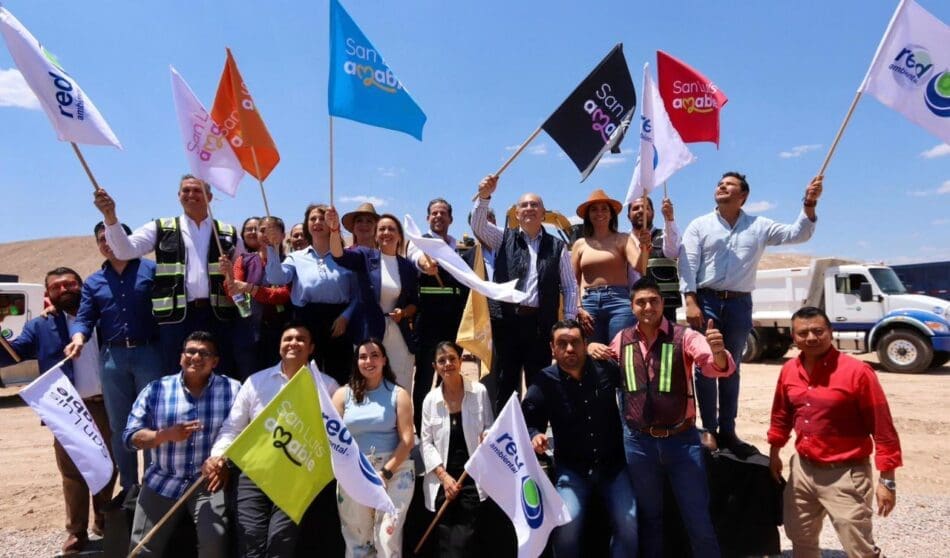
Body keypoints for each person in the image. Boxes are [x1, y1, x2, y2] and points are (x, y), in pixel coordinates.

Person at [592, 277, 735, 558]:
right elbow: (603, 370)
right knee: (650, 520)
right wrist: (589, 348)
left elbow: (714, 367)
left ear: (662, 303)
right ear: (632, 307)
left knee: (698, 520)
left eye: (653, 301)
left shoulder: (686, 336)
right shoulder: (622, 339)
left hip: (682, 441)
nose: (648, 307)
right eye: (641, 302)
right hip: (638, 444)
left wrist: (718, 353)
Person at [679, 171, 822, 450]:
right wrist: (690, 300)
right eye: (719, 183)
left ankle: (728, 430)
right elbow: (688, 263)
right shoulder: (699, 225)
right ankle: (708, 429)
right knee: (706, 366)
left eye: (729, 184)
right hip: (706, 302)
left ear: (743, 196)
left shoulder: (759, 226)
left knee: (731, 367)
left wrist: (809, 204)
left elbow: (799, 233)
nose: (721, 186)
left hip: (739, 304)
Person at [768, 306, 902, 558]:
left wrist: (887, 480)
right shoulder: (789, 370)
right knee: (800, 537)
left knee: (859, 546)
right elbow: (781, 415)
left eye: (818, 331)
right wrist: (774, 452)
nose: (811, 338)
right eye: (803, 333)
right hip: (802, 471)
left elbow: (883, 428)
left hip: (846, 473)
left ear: (830, 332)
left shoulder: (858, 372)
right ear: (793, 336)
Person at [0, 267, 116, 555]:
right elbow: (12, 354)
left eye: (70, 284)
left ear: (81, 286)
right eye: (56, 287)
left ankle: (104, 520)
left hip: (109, 404)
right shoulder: (41, 326)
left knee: (108, 465)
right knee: (73, 472)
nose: (64, 290)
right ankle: (76, 531)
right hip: (67, 410)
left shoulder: (104, 315)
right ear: (48, 294)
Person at [205, 322, 339, 557]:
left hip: (296, 476)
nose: (293, 343)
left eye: (300, 339)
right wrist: (218, 456)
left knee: (281, 542)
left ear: (311, 348)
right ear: (279, 346)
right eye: (288, 339)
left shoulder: (328, 387)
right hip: (254, 472)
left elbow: (335, 435)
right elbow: (232, 427)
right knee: (250, 540)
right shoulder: (256, 382)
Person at [93, 175, 241, 376]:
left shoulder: (227, 232)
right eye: (186, 190)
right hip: (176, 319)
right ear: (178, 196)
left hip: (218, 315)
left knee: (220, 373)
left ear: (209, 197)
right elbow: (125, 251)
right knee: (177, 374)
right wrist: (110, 217)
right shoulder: (161, 228)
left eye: (197, 190)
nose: (191, 194)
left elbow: (244, 272)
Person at [523, 319, 637, 558]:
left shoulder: (606, 369)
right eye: (562, 343)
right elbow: (527, 421)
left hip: (613, 467)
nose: (569, 349)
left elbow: (635, 383)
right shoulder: (544, 381)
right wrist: (535, 436)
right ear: (552, 348)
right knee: (567, 525)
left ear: (586, 344)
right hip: (572, 471)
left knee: (629, 524)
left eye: (575, 342)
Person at [64, 222, 162, 491]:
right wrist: (78, 337)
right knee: (120, 424)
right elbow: (85, 318)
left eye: (111, 237)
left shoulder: (152, 271)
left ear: (126, 239)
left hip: (150, 353)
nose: (107, 243)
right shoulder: (94, 282)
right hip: (112, 358)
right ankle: (129, 488)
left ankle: (153, 486)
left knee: (153, 419)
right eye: (101, 240)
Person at [124, 331, 240, 558]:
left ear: (215, 361)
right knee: (141, 549)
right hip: (162, 480)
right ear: (181, 357)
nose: (196, 357)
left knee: (214, 546)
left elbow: (243, 434)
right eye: (190, 351)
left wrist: (226, 463)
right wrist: (164, 435)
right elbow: (130, 437)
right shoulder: (156, 390)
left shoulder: (233, 390)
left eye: (204, 353)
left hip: (206, 483)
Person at [473, 175, 578, 413]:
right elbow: (479, 226)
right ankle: (506, 433)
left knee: (538, 385)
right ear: (517, 213)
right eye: (524, 205)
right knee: (506, 383)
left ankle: (534, 432)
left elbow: (570, 286)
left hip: (541, 325)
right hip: (507, 323)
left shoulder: (558, 247)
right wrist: (484, 197)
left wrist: (568, 322)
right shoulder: (503, 238)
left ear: (543, 213)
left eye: (535, 204)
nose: (529, 208)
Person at [332, 339, 415, 558]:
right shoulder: (341, 395)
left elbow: (407, 441)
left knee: (386, 539)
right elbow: (333, 438)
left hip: (394, 471)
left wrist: (385, 472)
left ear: (384, 360)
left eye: (374, 355)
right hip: (354, 472)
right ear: (356, 362)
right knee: (358, 541)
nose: (369, 361)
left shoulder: (399, 394)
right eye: (363, 357)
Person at [264, 204, 358, 385]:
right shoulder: (296, 257)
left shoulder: (346, 257)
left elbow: (357, 295)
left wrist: (346, 317)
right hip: (306, 320)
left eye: (322, 218)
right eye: (313, 218)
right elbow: (276, 277)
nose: (317, 222)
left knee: (339, 374)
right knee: (306, 375)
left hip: (338, 322)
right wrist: (272, 248)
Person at [328, 210, 419, 393]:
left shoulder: (407, 267)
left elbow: (414, 303)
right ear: (376, 235)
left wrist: (403, 312)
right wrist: (334, 230)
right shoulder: (365, 256)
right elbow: (338, 255)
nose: (386, 233)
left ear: (399, 236)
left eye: (391, 229)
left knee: (401, 383)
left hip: (398, 333)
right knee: (368, 383)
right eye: (382, 229)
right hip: (369, 331)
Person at [420, 341, 493, 557]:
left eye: (452, 358)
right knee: (446, 542)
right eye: (442, 361)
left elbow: (489, 427)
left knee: (464, 542)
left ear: (460, 361)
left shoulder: (479, 391)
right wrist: (444, 478)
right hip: (442, 480)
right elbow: (426, 443)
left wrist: (487, 436)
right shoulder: (429, 401)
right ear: (435, 367)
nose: (448, 364)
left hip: (471, 478)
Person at [409, 199, 470, 431]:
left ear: (450, 219)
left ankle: (448, 423)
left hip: (453, 321)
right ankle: (422, 427)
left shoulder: (458, 249)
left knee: (451, 373)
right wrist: (425, 264)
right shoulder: (420, 243)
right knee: (425, 376)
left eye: (443, 213)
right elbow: (416, 258)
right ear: (428, 218)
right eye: (434, 213)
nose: (438, 216)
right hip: (428, 321)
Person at [220, 216, 292, 381]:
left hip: (280, 334)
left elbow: (283, 295)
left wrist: (250, 288)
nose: (266, 234)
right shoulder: (244, 260)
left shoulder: (290, 262)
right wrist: (229, 277)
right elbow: (234, 295)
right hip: (248, 333)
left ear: (282, 235)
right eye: (262, 230)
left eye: (272, 230)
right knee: (249, 383)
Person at [572, 189, 645, 344]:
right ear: (588, 215)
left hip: (619, 301)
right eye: (594, 209)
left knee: (621, 350)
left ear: (611, 214)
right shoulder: (579, 244)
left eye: (604, 209)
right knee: (593, 352)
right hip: (588, 303)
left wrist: (645, 247)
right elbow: (573, 281)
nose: (599, 213)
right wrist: (578, 308)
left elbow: (640, 267)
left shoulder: (623, 239)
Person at [628, 196, 681, 323]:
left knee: (667, 336)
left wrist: (669, 219)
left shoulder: (665, 236)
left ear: (653, 212)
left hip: (663, 306)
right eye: (635, 208)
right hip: (629, 307)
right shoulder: (622, 240)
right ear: (628, 215)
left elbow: (673, 251)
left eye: (646, 208)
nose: (641, 211)